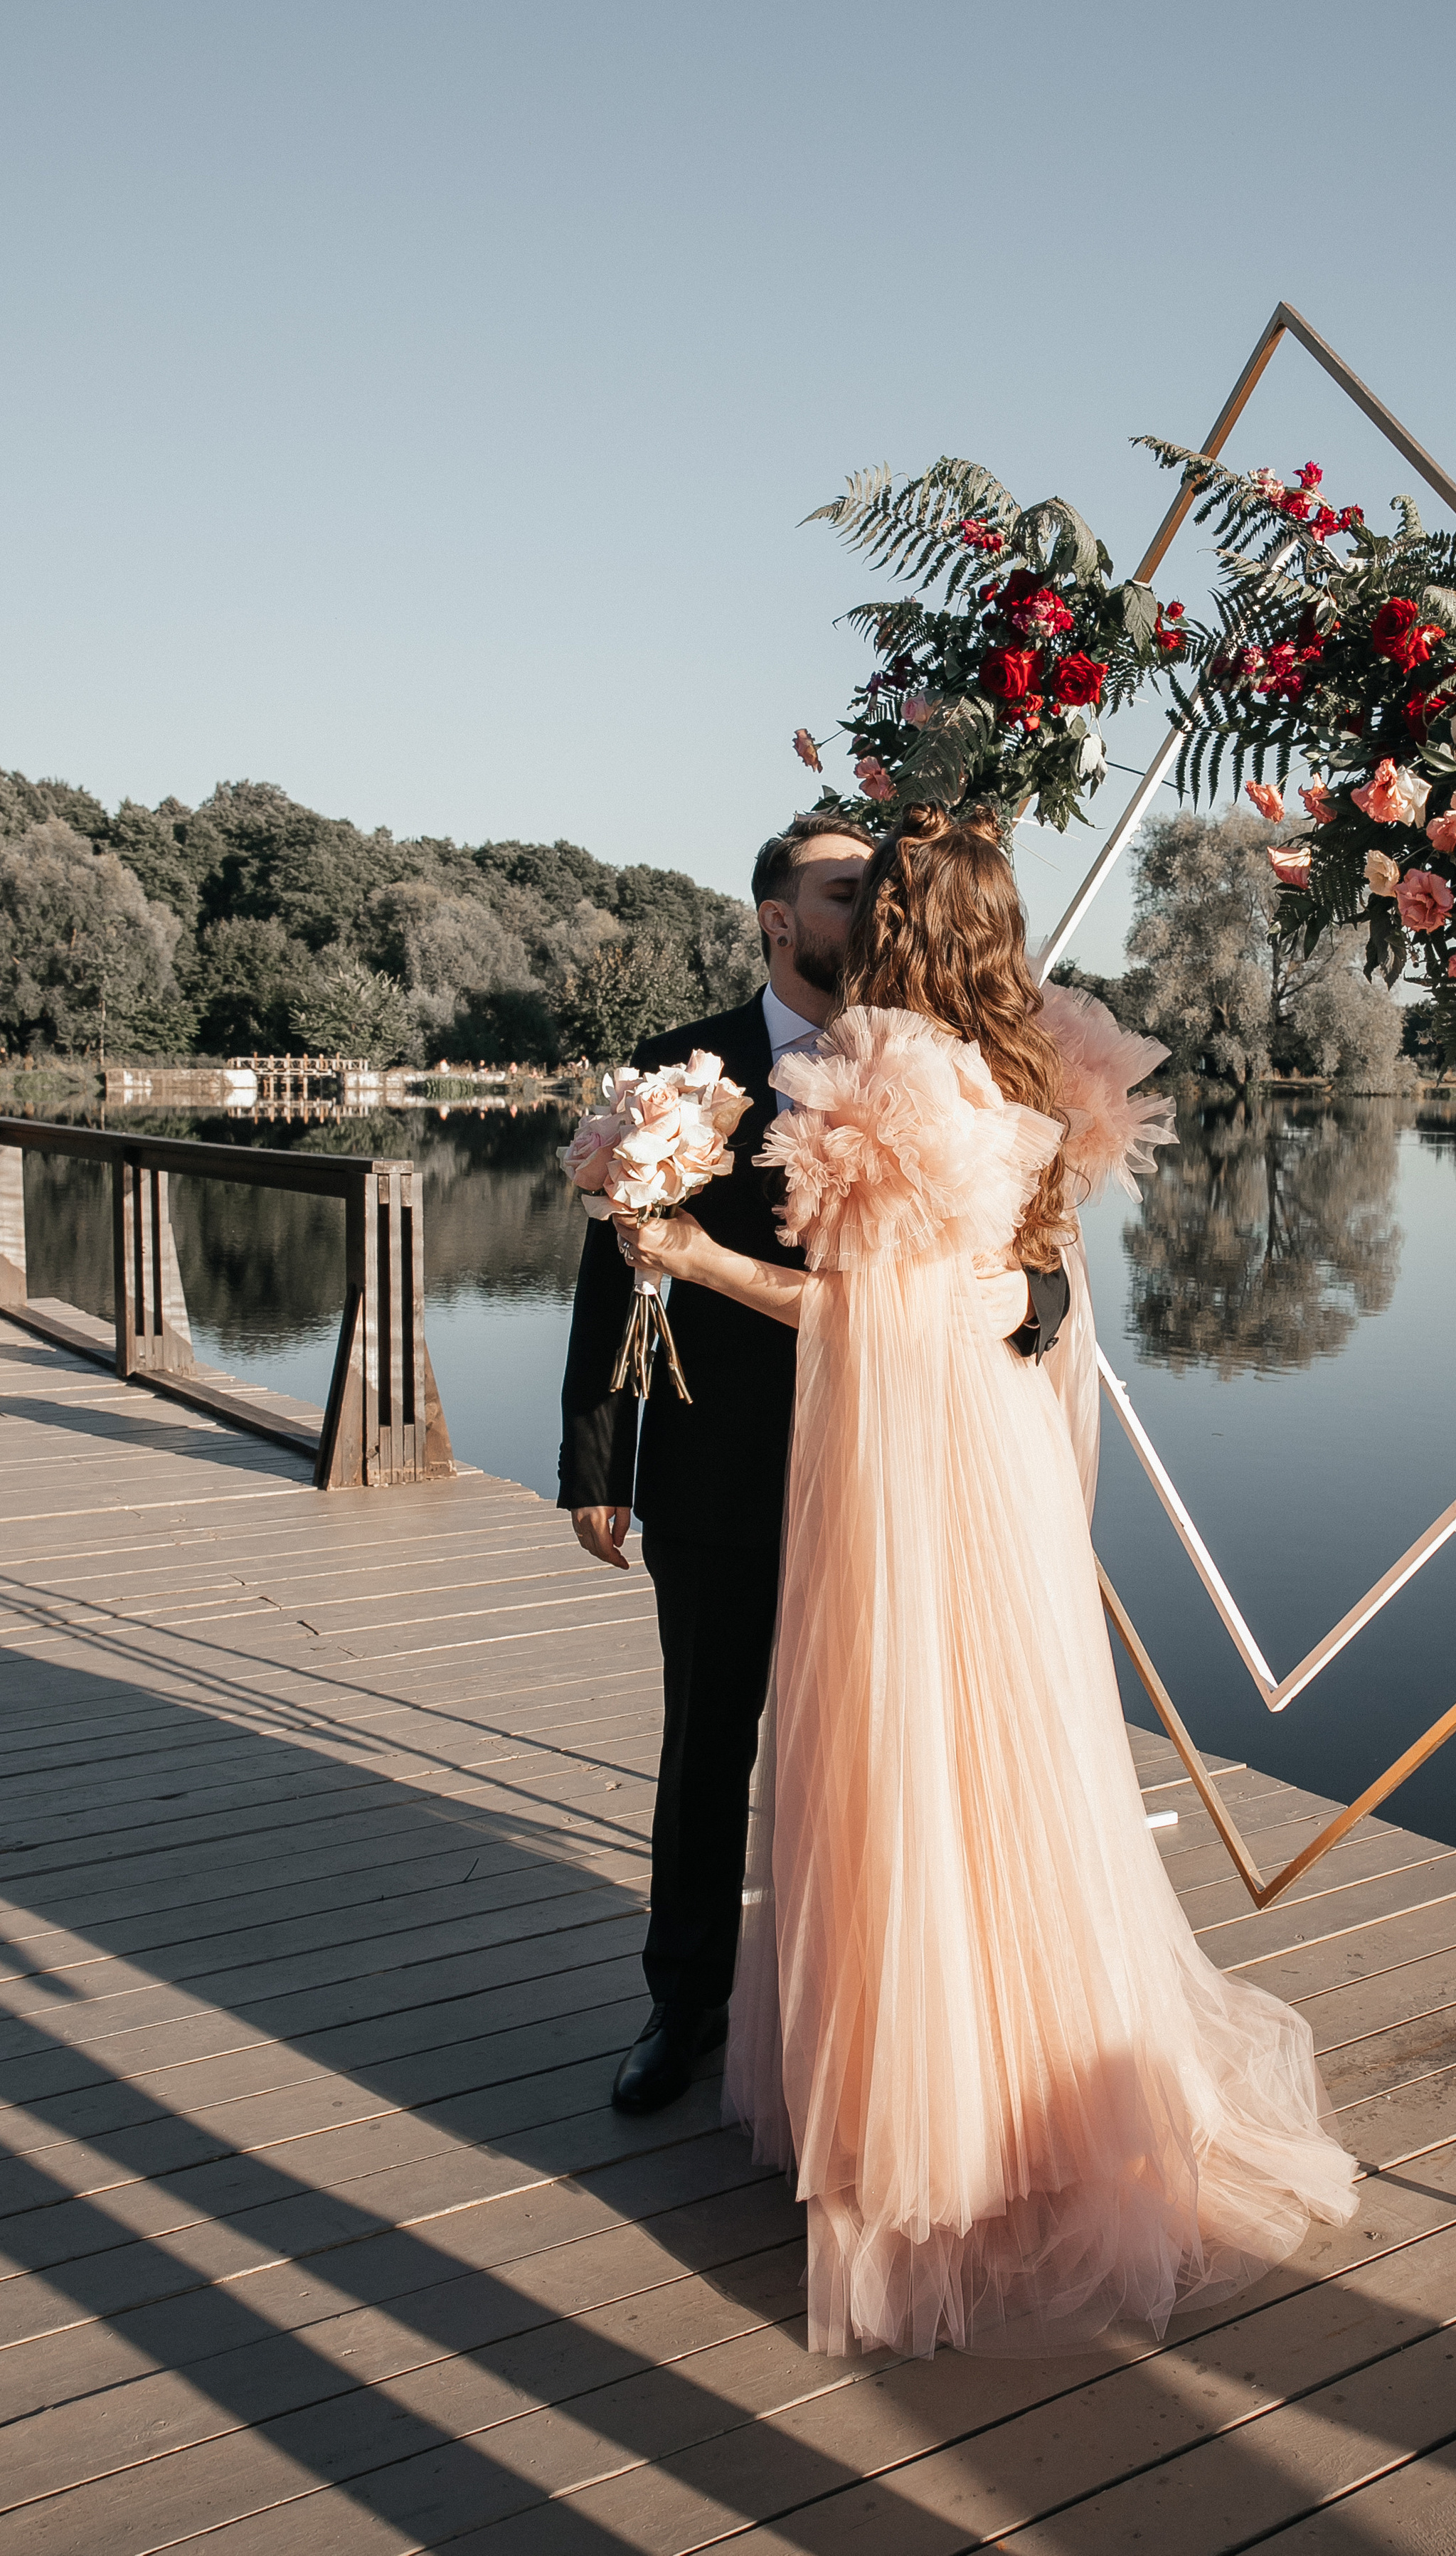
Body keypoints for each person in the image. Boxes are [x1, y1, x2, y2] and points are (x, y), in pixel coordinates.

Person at [620, 803, 1358, 2358]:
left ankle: (942, 2131)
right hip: (1001, 1459)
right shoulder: (1019, 1054)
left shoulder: (889, 1061)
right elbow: (1014, 1275)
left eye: (866, 894)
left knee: (901, 1770)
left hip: (915, 1464)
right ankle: (1017, 2098)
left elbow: (863, 1318)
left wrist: (683, 1256)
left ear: (891, 920)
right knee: (1003, 1769)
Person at [558, 810, 1070, 2114]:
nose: (876, 908)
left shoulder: (940, 1064)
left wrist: (1031, 1304)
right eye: (849, 889)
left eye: (884, 889)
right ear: (780, 917)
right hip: (723, 1465)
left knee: (874, 1753)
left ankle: (849, 2027)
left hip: (905, 1479)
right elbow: (612, 1268)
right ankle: (683, 2007)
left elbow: (1035, 1259)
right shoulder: (684, 1066)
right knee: (708, 1742)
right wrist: (596, 1457)